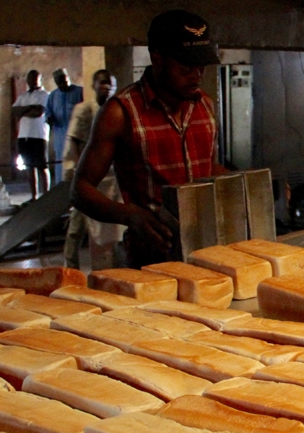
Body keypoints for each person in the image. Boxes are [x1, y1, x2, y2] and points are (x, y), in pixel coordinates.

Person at [71, 9, 226, 268]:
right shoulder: (120, 113)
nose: (197, 77)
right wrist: (130, 215)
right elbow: (80, 190)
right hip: (152, 257)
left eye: (202, 68)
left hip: (206, 250)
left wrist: (254, 184)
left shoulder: (205, 106)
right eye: (186, 68)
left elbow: (206, 169)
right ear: (158, 59)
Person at [63, 69, 122, 269]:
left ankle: (107, 269)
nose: (107, 88)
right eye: (103, 83)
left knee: (107, 231)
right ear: (94, 85)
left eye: (110, 84)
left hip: (109, 180)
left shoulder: (116, 111)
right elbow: (74, 141)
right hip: (87, 177)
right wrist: (78, 173)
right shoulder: (85, 110)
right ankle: (70, 268)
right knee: (76, 227)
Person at [11, 70, 50, 200]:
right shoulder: (23, 96)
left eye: (35, 78)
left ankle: (46, 195)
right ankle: (34, 196)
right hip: (24, 135)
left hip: (39, 135)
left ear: (39, 79)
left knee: (42, 166)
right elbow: (14, 111)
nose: (32, 81)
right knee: (29, 166)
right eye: (29, 79)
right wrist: (30, 108)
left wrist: (24, 110)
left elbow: (39, 112)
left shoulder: (45, 95)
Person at [45, 68, 84, 184]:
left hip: (77, 136)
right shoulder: (53, 96)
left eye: (64, 81)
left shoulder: (80, 92)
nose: (62, 84)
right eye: (59, 82)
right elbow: (48, 113)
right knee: (61, 166)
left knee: (77, 164)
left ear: (68, 78)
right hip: (60, 137)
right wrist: (49, 119)